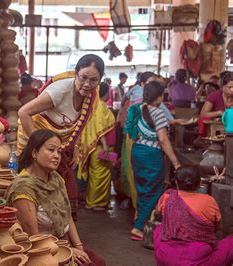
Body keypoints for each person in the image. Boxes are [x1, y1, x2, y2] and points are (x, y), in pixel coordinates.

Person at [17, 54, 115, 216]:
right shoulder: (60, 90)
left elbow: (78, 125)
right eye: (83, 77)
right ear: (76, 73)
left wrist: (74, 144)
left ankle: (58, 229)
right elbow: (23, 112)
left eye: (93, 80)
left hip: (57, 144)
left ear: (100, 80)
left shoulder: (92, 96)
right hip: (34, 137)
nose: (87, 84)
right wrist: (40, 146)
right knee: (34, 184)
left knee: (62, 188)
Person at [6, 129, 106, 266]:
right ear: (34, 153)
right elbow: (33, 238)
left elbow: (67, 215)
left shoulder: (56, 178)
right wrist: (68, 250)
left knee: (98, 262)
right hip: (41, 250)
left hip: (63, 242)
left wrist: (78, 246)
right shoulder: (23, 188)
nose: (57, 156)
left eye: (59, 151)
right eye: (51, 150)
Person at [124, 81, 181, 240]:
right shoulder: (158, 113)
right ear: (159, 97)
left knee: (143, 189)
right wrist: (176, 163)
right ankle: (138, 227)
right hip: (151, 154)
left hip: (137, 152)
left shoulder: (138, 110)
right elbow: (163, 140)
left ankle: (139, 219)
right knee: (154, 191)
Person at [154, 165, 233, 265]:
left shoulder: (167, 197)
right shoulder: (208, 201)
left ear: (177, 183)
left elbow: (158, 212)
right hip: (197, 257)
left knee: (159, 229)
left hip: (166, 255)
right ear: (199, 183)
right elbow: (219, 227)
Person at [198, 71, 233, 136]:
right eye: (229, 87)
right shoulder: (214, 96)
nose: (232, 90)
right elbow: (202, 115)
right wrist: (219, 113)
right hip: (214, 129)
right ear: (223, 87)